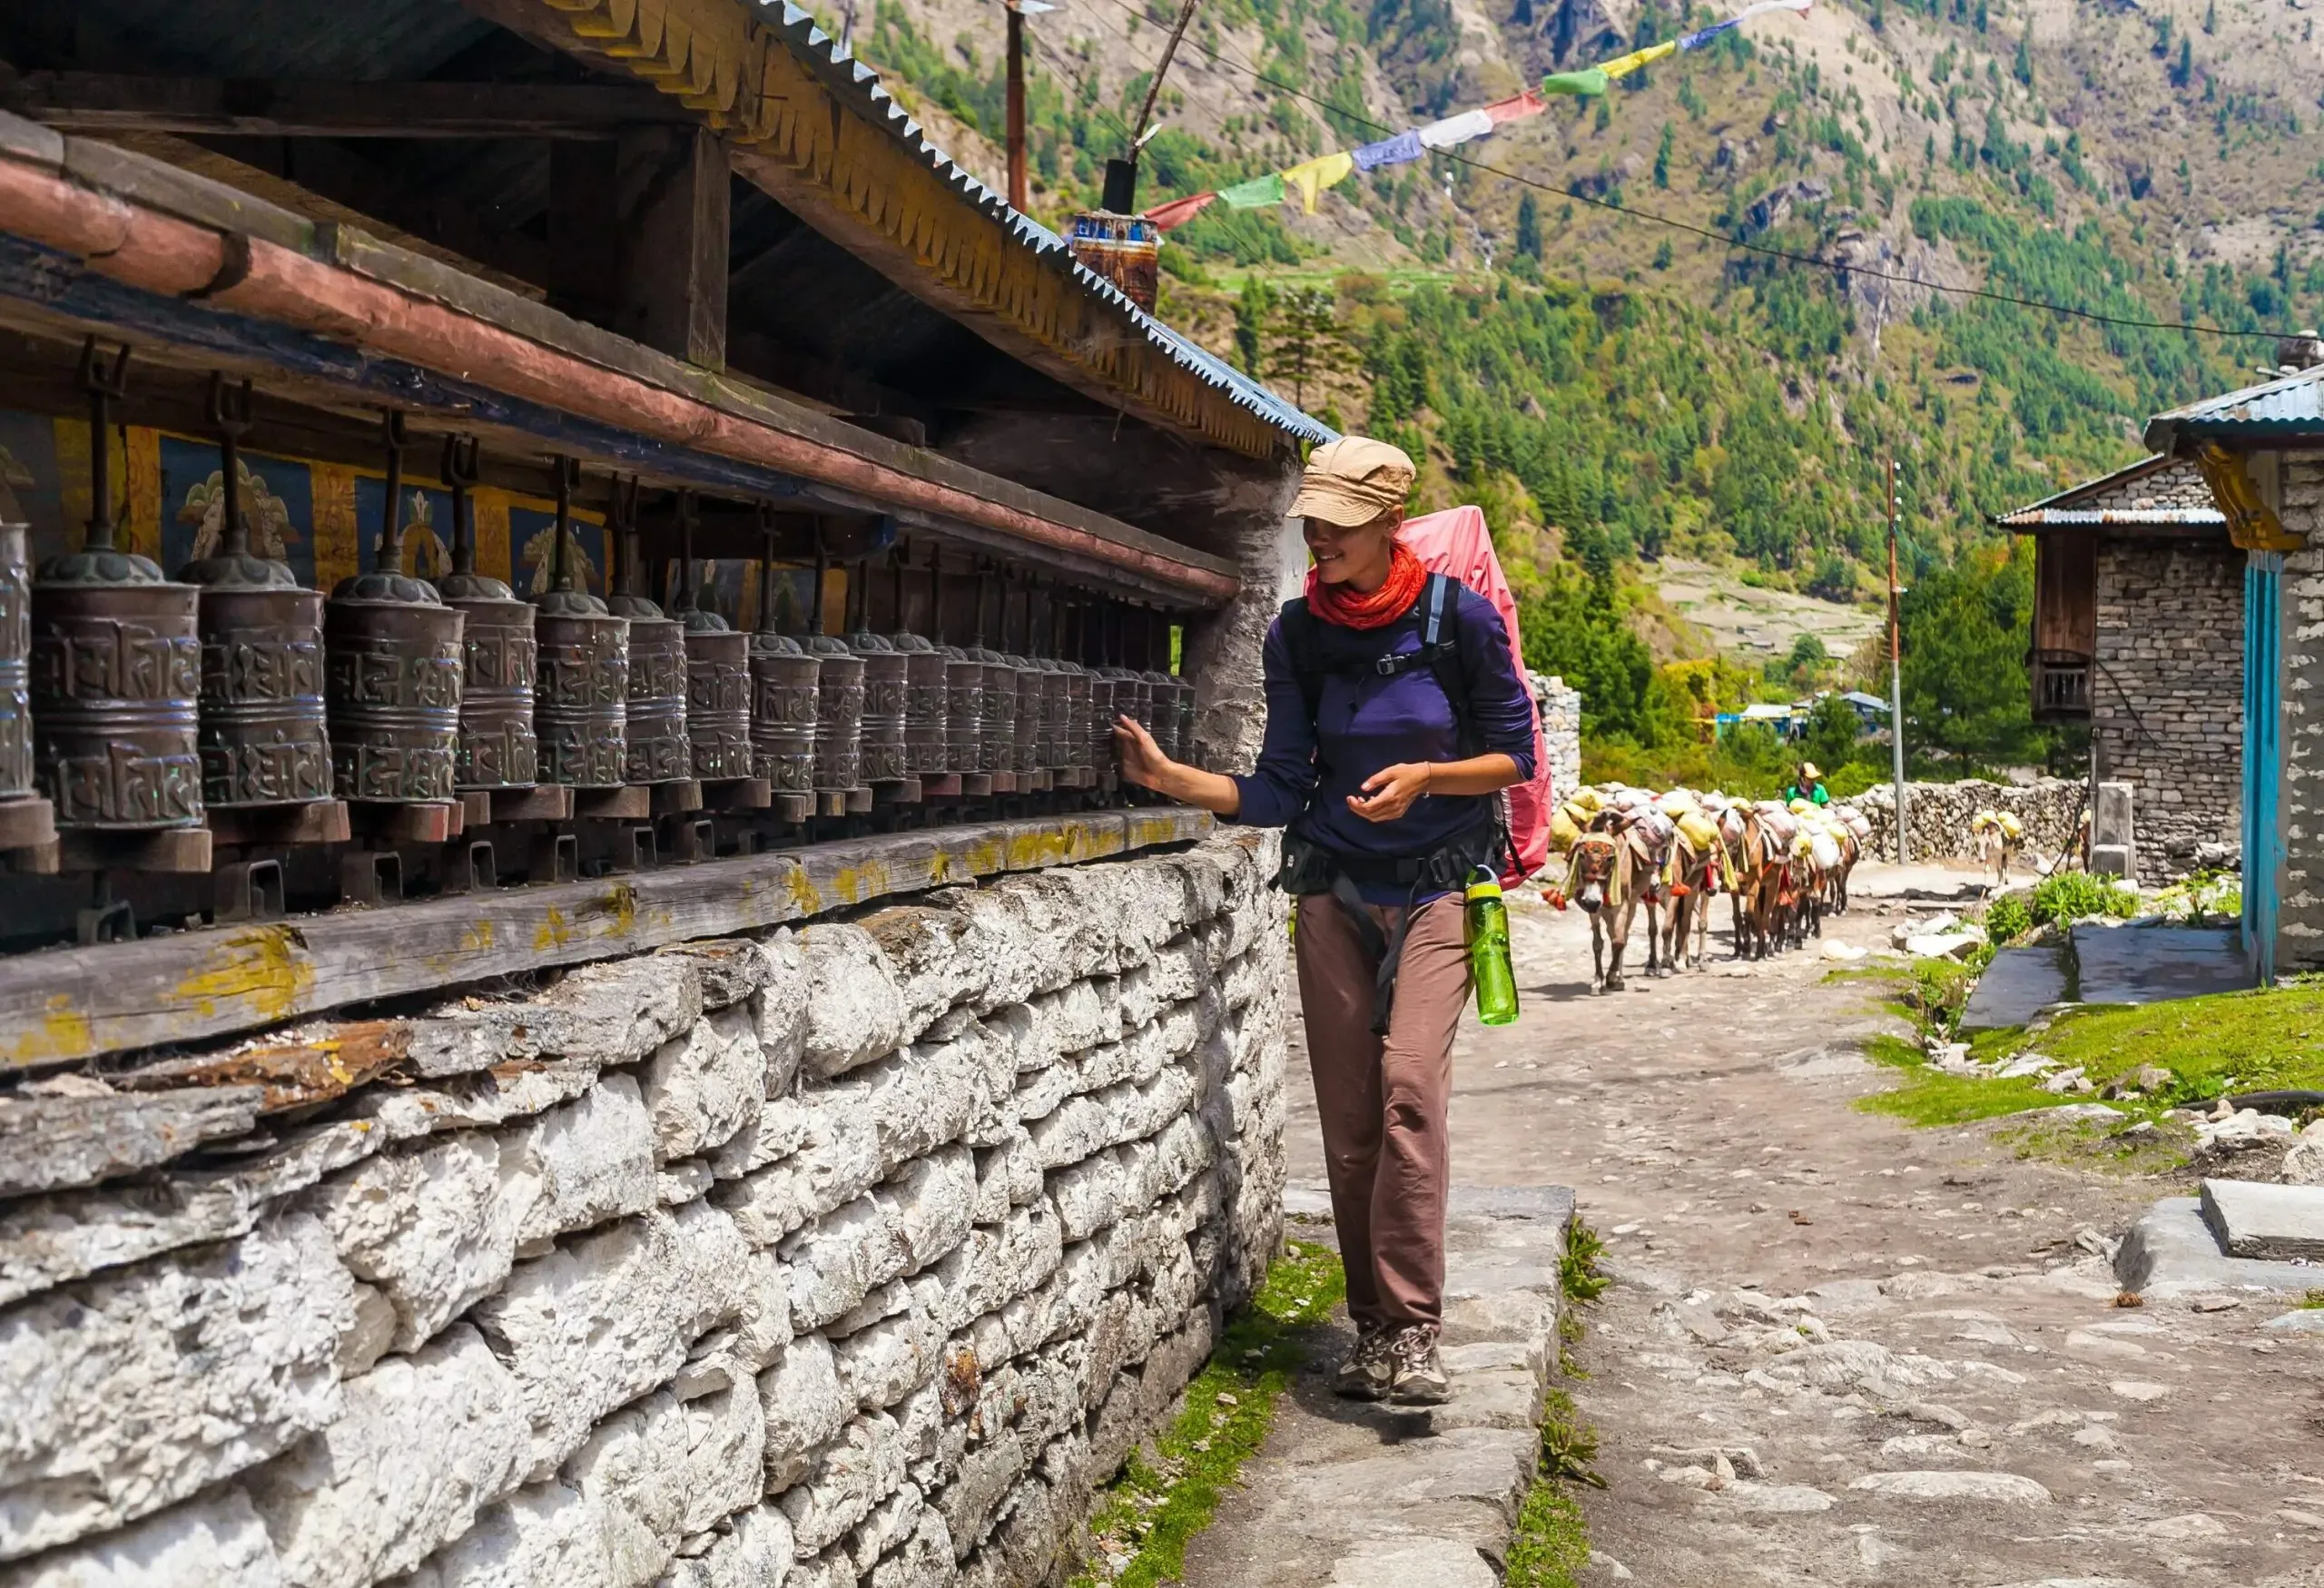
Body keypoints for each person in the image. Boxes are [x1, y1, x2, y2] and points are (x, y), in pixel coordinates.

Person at [1113, 436, 1535, 1406]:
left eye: (1337, 523)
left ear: (1389, 523)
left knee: (1407, 1093)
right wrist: (1178, 782)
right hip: (1331, 891)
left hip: (1439, 884)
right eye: (1312, 520)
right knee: (1348, 1128)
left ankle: (1416, 1329)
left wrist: (1430, 776)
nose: (1318, 537)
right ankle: (1375, 1329)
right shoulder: (1295, 633)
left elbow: (1514, 753)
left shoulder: (1457, 621)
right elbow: (1278, 786)